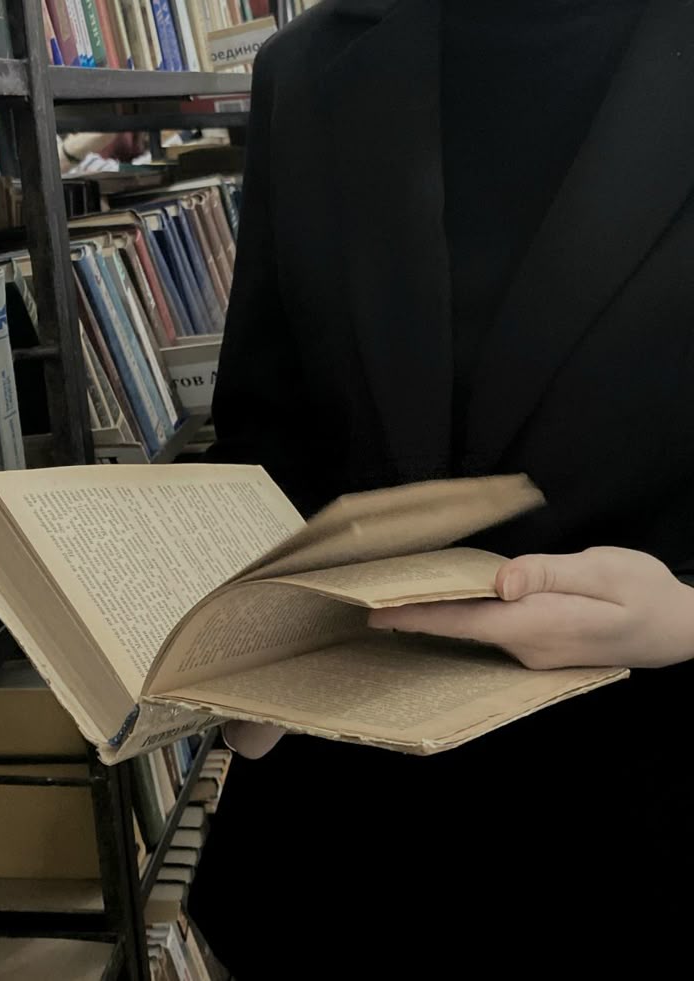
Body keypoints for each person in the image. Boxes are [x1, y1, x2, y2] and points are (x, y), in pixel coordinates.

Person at [189, 0, 694, 974]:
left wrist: (689, 615)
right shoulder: (307, 67)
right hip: (355, 828)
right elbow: (264, 428)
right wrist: (228, 639)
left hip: (650, 795)